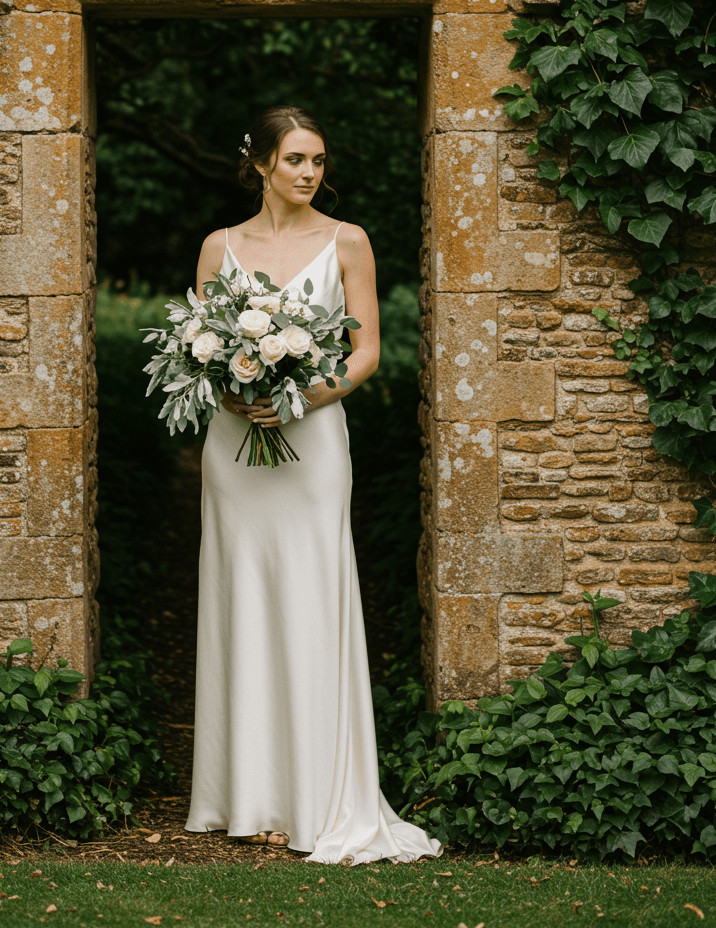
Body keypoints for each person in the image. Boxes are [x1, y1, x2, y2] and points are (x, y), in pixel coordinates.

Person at [184, 104, 443, 866]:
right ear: (260, 162)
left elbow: (365, 350)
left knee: (311, 594)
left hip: (314, 444)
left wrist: (311, 393)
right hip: (234, 447)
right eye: (296, 159)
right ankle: (249, 798)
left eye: (319, 160)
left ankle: (315, 797)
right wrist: (230, 390)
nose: (310, 173)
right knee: (244, 600)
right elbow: (198, 344)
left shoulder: (348, 241)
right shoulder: (217, 247)